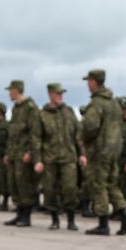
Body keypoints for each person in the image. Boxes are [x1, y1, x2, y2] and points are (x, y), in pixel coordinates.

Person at [78, 69, 126, 236]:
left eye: (89, 81)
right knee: (111, 184)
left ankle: (103, 224)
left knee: (98, 185)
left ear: (94, 82)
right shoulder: (114, 103)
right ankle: (125, 217)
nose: (87, 84)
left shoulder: (97, 103)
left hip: (100, 151)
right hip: (114, 150)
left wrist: (83, 139)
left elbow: (91, 126)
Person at [35, 82, 81, 230]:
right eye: (57, 94)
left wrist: (82, 154)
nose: (60, 96)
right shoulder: (42, 115)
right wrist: (38, 160)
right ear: (50, 95)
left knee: (70, 189)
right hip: (50, 158)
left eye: (62, 94)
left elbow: (78, 135)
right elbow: (36, 139)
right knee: (49, 189)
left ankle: (71, 220)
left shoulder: (69, 112)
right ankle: (54, 219)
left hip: (68, 157)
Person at [3, 80, 42, 228]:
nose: (9, 94)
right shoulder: (16, 108)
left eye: (10, 90)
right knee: (14, 184)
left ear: (16, 90)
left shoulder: (30, 108)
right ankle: (19, 214)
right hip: (14, 153)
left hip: (24, 154)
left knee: (24, 184)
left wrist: (31, 152)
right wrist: (8, 152)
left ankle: (26, 217)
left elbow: (35, 132)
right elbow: (12, 134)